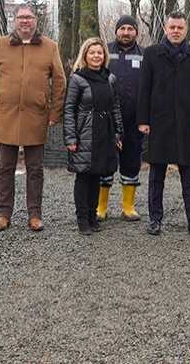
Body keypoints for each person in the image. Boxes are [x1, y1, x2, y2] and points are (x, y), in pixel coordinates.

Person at [0, 4, 66, 232]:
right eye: (21, 18)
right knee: (5, 167)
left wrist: (54, 112)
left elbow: (60, 81)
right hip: (7, 116)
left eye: (29, 17)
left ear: (35, 20)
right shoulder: (0, 45)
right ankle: (4, 213)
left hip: (36, 116)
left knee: (35, 169)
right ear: (15, 21)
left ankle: (35, 214)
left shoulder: (50, 47)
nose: (25, 21)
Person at [137, 11, 190, 237]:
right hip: (159, 122)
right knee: (156, 175)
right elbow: (144, 88)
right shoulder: (151, 54)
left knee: (189, 176)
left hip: (187, 123)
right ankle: (155, 220)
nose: (176, 31)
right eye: (172, 27)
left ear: (186, 29)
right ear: (165, 29)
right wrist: (143, 120)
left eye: (180, 27)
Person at [64, 37, 124, 235]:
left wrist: (118, 133)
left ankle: (93, 216)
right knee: (83, 178)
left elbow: (115, 107)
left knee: (97, 175)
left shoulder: (110, 78)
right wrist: (71, 138)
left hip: (104, 133)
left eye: (100, 52)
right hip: (84, 134)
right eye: (92, 52)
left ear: (104, 56)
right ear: (85, 55)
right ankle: (82, 220)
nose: (96, 56)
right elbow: (69, 109)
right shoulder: (77, 79)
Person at [100, 15, 144, 222]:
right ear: (116, 31)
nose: (126, 32)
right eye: (122, 28)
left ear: (136, 31)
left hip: (135, 120)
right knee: (104, 162)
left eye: (130, 28)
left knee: (132, 162)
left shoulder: (144, 55)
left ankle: (128, 206)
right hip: (107, 120)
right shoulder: (104, 51)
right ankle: (101, 207)